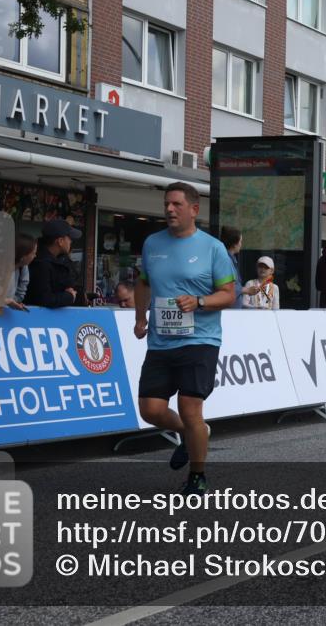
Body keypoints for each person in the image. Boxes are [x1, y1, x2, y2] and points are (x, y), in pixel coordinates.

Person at [133, 182, 236, 496]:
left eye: (176, 204)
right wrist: (140, 317)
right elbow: (143, 283)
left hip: (200, 340)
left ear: (194, 209)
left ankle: (197, 476)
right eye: (166, 203)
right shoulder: (152, 243)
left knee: (190, 407)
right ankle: (193, 434)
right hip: (161, 340)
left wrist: (199, 301)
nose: (169, 209)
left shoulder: (213, 248)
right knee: (150, 410)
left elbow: (228, 294)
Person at [24, 219, 81, 308]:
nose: (71, 241)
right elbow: (44, 299)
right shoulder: (41, 263)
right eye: (69, 238)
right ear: (60, 241)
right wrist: (69, 296)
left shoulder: (60, 259)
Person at [220, 225, 258, 310]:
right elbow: (225, 287)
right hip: (228, 311)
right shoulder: (225, 261)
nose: (241, 244)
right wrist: (246, 290)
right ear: (234, 244)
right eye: (240, 241)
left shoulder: (230, 259)